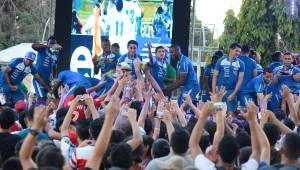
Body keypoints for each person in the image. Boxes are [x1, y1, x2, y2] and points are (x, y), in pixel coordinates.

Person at [212, 42, 245, 115]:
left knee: (230, 114)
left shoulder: (241, 63)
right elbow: (215, 77)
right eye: (236, 51)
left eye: (239, 51)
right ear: (230, 50)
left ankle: (230, 126)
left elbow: (240, 80)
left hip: (231, 92)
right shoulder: (220, 60)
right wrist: (214, 92)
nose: (238, 53)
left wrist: (234, 94)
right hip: (219, 92)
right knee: (218, 113)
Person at [32, 36, 60, 102]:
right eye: (51, 43)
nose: (52, 45)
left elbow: (54, 67)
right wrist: (48, 46)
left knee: (54, 98)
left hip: (47, 81)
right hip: (38, 79)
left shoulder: (56, 55)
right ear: (47, 43)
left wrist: (54, 78)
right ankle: (36, 111)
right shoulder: (43, 49)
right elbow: (33, 46)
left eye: (54, 44)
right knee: (42, 99)